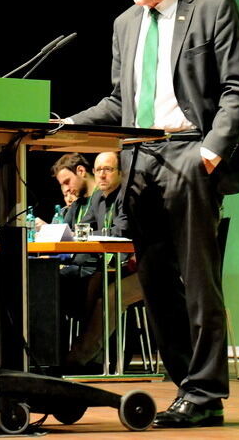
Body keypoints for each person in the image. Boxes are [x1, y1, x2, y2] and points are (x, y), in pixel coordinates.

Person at [66, 0, 239, 427]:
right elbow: (117, 101)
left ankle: (207, 391)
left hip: (191, 153)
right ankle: (186, 389)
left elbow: (238, 89)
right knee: (154, 282)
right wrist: (65, 125)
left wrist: (210, 153)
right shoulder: (125, 23)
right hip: (139, 161)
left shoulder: (214, 7)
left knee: (197, 280)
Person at [65, 152, 144, 368]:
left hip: (150, 270)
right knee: (89, 285)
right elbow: (81, 229)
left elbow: (121, 231)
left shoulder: (128, 195)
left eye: (107, 169)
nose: (101, 175)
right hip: (119, 268)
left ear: (121, 173)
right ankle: (97, 359)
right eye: (98, 170)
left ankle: (79, 356)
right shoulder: (98, 197)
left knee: (110, 296)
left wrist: (88, 234)